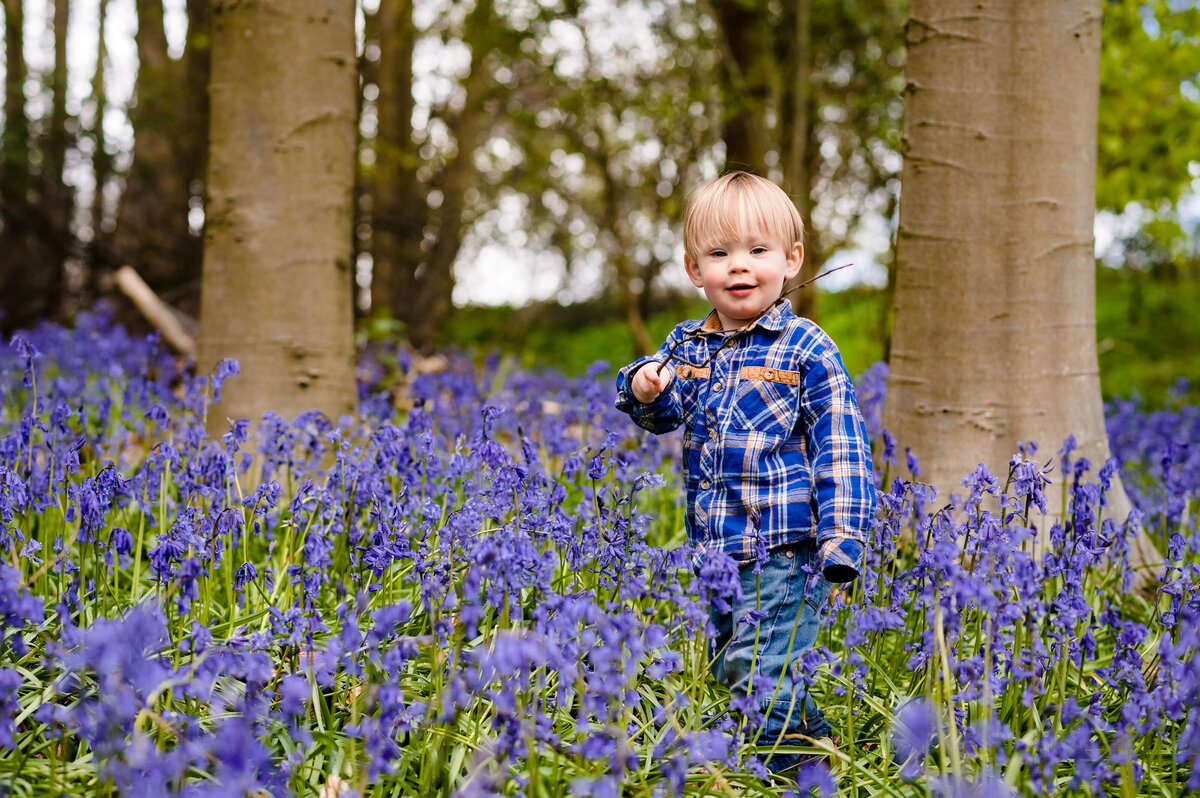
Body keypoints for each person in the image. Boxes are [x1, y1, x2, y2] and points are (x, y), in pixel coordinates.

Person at [614, 171, 876, 774]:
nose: (739, 267)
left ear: (792, 260)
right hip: (716, 554)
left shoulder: (805, 348)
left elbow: (841, 447)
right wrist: (645, 386)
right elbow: (662, 415)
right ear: (692, 269)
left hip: (785, 552)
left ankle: (784, 778)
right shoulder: (687, 344)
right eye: (720, 253)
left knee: (755, 675)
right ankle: (821, 758)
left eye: (758, 251)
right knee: (741, 666)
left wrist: (841, 541)